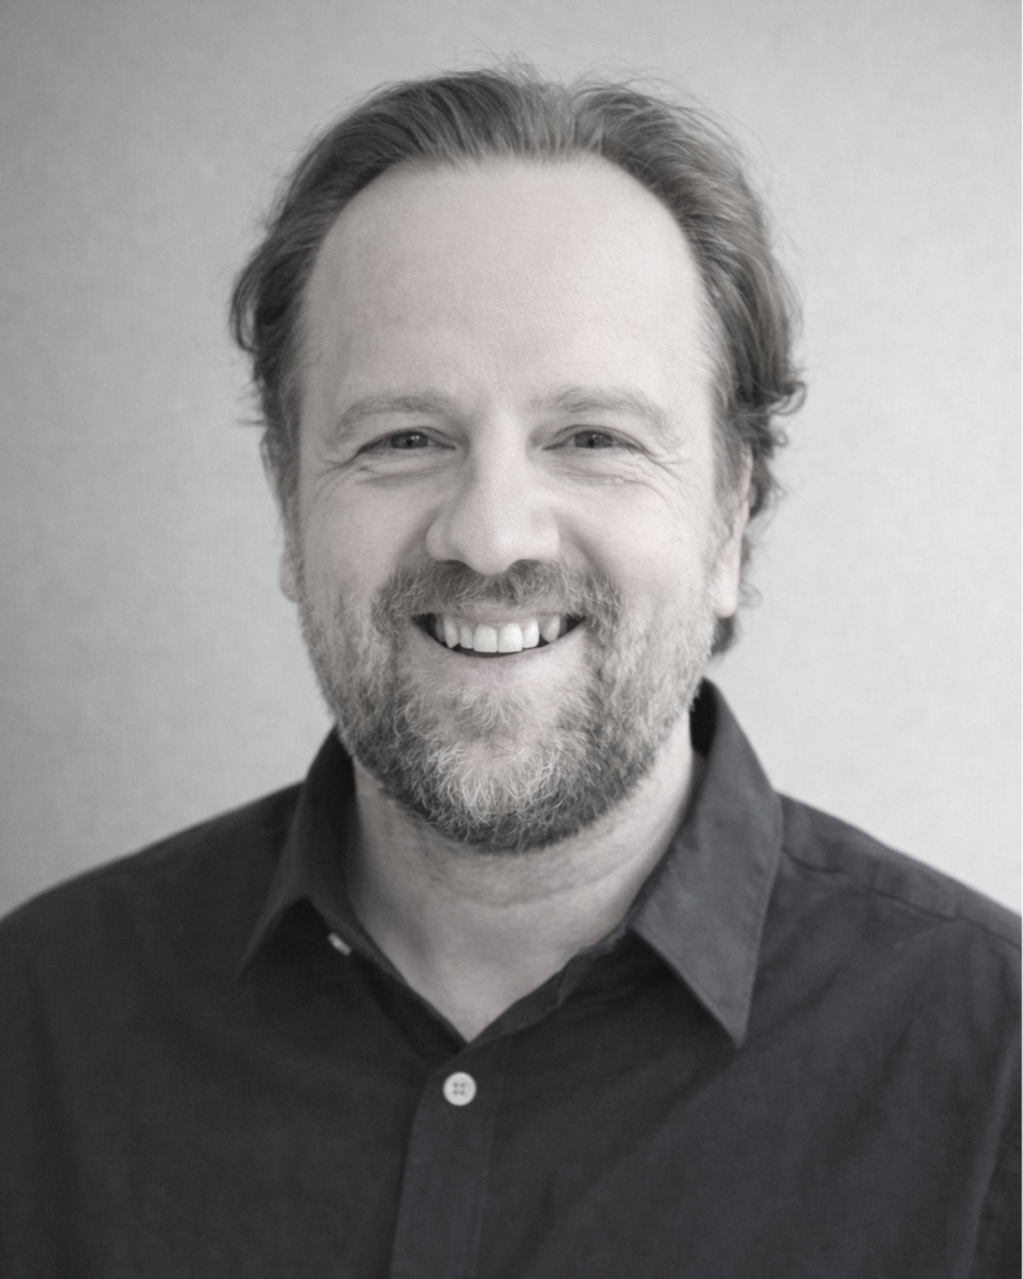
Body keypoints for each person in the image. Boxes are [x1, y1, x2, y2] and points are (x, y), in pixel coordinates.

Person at [1, 65, 1019, 1279]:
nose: (490, 536)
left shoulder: (997, 1074)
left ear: (731, 520)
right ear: (288, 504)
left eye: (592, 438)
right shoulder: (36, 1026)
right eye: (405, 438)